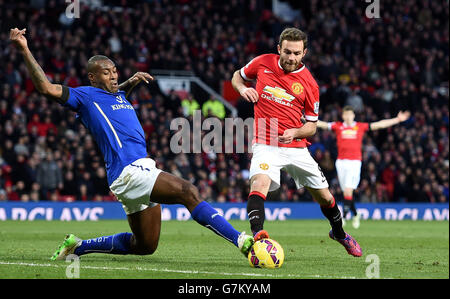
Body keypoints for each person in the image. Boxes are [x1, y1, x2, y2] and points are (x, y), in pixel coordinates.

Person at [9, 28, 254, 260]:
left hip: (137, 170)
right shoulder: (85, 96)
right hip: (129, 170)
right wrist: (24, 50)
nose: (114, 75)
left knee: (145, 246)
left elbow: (116, 94)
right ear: (93, 77)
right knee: (187, 191)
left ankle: (78, 246)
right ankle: (240, 240)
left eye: (114, 70)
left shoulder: (118, 94)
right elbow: (46, 88)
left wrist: (130, 82)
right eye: (106, 72)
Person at [231, 27, 362, 257]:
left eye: (297, 53)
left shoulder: (310, 84)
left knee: (326, 197)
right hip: (266, 141)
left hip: (296, 146)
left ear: (304, 53)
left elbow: (311, 126)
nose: (291, 57)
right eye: (288, 52)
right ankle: (259, 237)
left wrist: (296, 132)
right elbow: (237, 76)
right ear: (279, 48)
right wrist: (242, 88)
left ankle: (340, 233)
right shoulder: (262, 62)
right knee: (259, 184)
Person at [317, 106, 410, 228]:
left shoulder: (360, 126)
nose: (348, 117)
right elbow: (322, 124)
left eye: (350, 114)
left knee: (348, 190)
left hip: (355, 162)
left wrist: (397, 120)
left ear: (353, 115)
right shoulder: (338, 126)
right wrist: (304, 119)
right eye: (346, 114)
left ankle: (343, 217)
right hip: (341, 162)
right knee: (346, 192)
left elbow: (379, 125)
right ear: (343, 116)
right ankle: (355, 214)